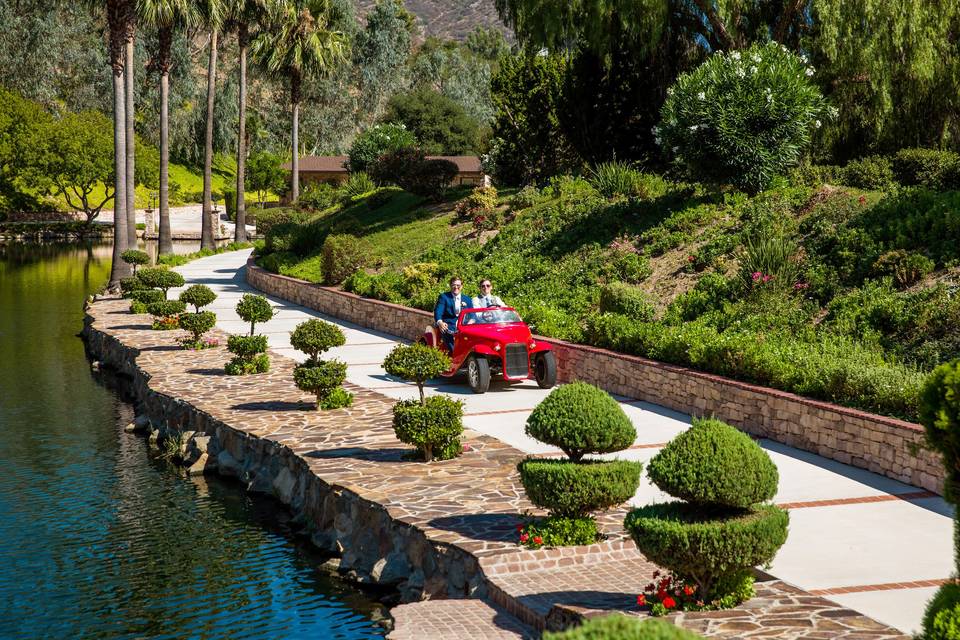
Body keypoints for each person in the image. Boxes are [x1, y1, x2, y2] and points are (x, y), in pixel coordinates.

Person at [434, 276, 473, 352]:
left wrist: (472, 320)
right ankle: (455, 355)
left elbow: (472, 313)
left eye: (458, 285)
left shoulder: (467, 299)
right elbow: (438, 311)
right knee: (447, 331)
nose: (456, 287)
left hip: (464, 325)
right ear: (450, 285)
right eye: (453, 285)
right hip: (449, 324)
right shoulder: (444, 297)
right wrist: (440, 322)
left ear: (461, 286)